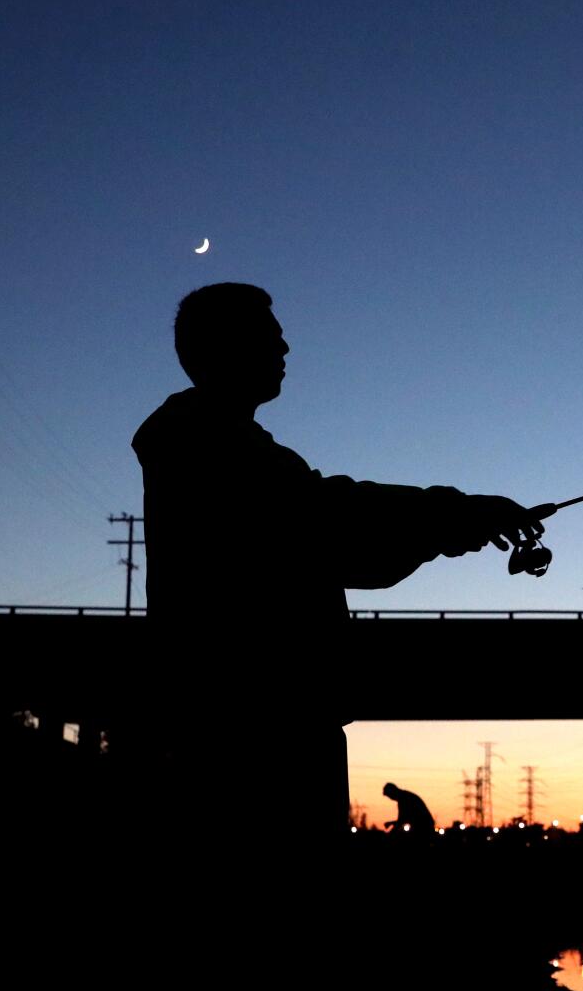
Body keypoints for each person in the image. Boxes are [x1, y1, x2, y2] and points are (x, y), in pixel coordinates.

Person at [131, 283, 546, 836]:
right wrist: (458, 515)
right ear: (222, 348)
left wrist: (455, 520)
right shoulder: (212, 449)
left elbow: (337, 526)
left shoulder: (212, 444)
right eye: (270, 338)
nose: (285, 351)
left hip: (250, 722)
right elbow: (330, 523)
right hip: (260, 731)